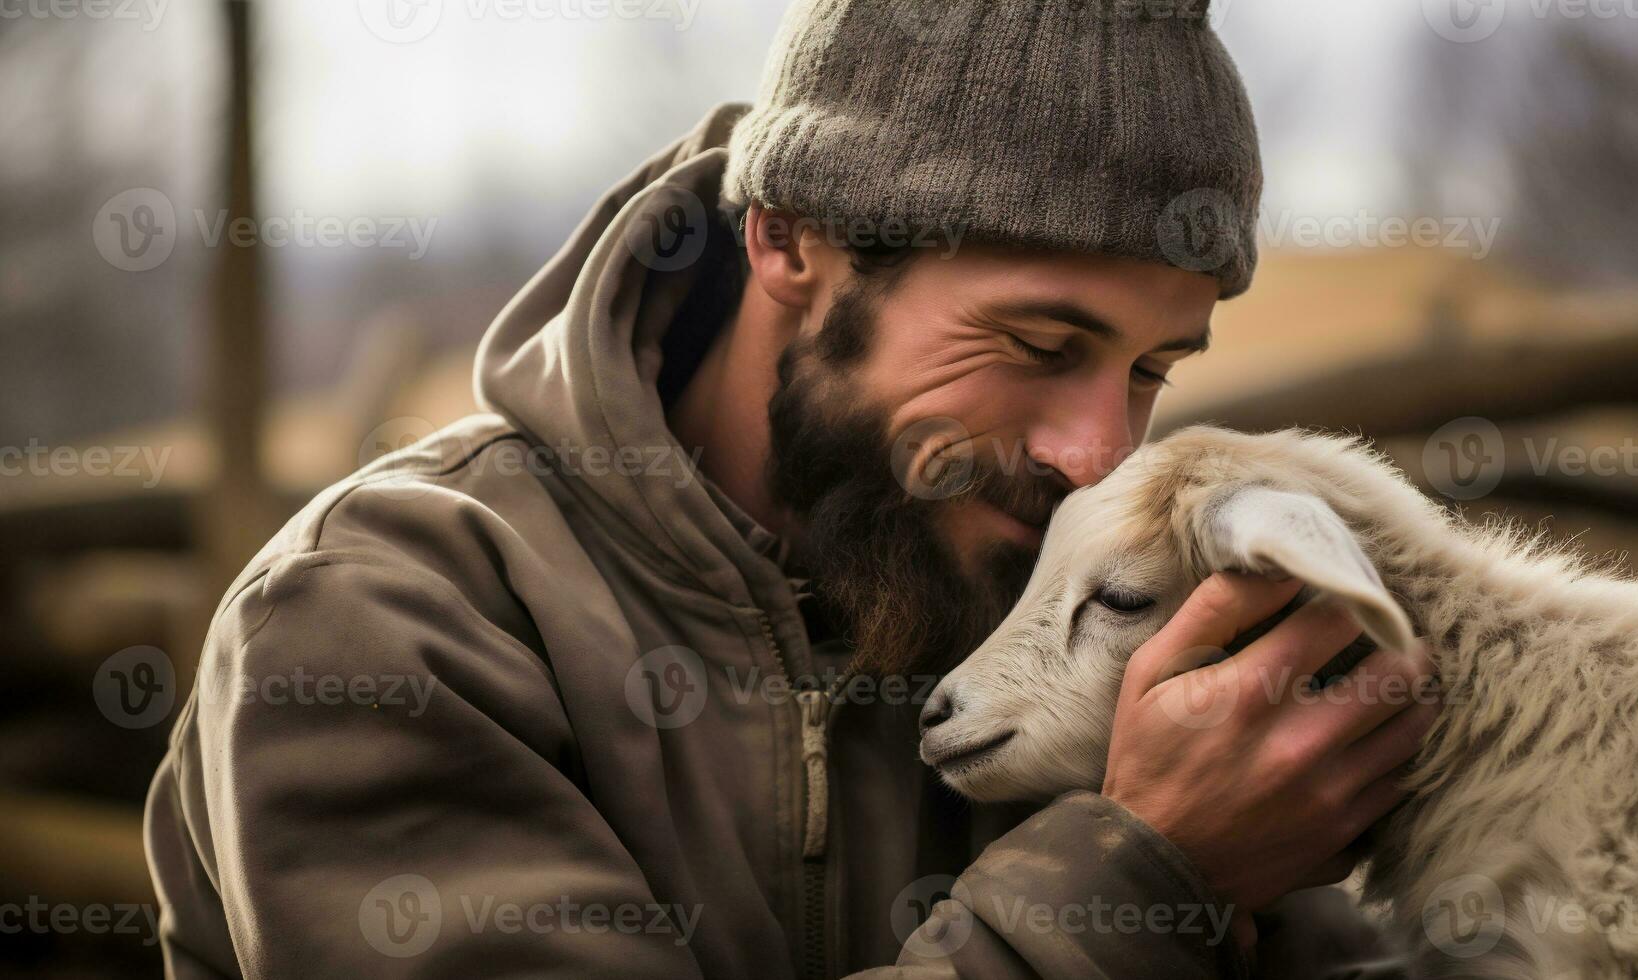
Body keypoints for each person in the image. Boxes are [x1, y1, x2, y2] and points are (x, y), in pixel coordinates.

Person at [145, 1, 1437, 976]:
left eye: (1151, 368)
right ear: (787, 239)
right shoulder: (389, 620)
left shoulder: (1070, 605)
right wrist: (1139, 887)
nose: (1094, 453)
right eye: (1040, 349)